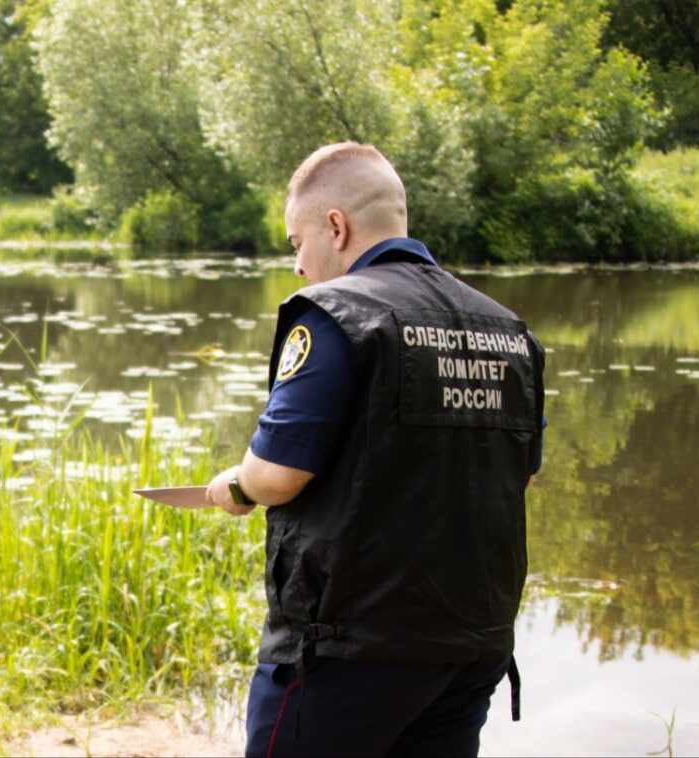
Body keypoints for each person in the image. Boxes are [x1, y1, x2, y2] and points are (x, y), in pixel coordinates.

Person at [206, 142, 546, 757]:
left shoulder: (337, 315)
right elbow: (515, 479)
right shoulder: (508, 329)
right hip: (469, 649)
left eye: (296, 243)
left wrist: (235, 486)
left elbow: (278, 474)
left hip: (347, 654)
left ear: (336, 226)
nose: (298, 266)